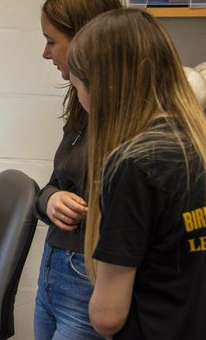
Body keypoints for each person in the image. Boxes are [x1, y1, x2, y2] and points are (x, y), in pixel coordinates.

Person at [67, 8, 206, 339]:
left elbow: (108, 316)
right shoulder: (196, 143)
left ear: (100, 88)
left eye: (77, 86)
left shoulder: (135, 164)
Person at [33, 1, 122, 339]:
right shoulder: (81, 103)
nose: (46, 53)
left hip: (88, 276)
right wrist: (50, 200)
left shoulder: (125, 122)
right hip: (54, 268)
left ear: (86, 39)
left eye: (51, 41)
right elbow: (52, 184)